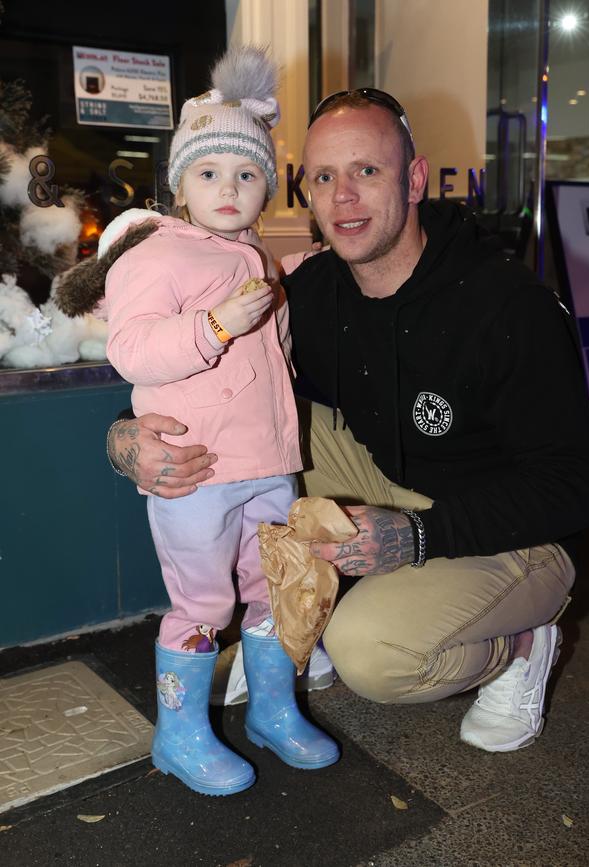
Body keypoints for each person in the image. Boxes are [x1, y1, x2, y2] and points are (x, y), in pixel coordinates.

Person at [105, 86, 589, 755]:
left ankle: (520, 645)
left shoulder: (507, 306)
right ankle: (282, 652)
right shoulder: (314, 290)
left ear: (416, 178)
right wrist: (126, 438)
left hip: (520, 530)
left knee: (372, 651)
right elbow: (217, 381)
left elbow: (575, 486)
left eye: (366, 171)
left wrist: (417, 536)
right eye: (323, 177)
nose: (343, 198)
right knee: (262, 431)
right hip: (395, 477)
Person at [63, 46, 341, 798]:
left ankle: (272, 709)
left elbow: (276, 359)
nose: (230, 188)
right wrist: (213, 325)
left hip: (268, 464)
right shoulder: (154, 255)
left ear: (268, 186)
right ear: (180, 180)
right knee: (201, 603)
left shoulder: (263, 259)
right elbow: (132, 350)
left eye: (248, 173)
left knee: (271, 588)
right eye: (210, 172)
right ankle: (179, 734)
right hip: (196, 468)